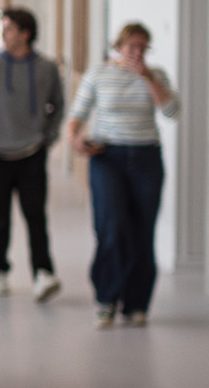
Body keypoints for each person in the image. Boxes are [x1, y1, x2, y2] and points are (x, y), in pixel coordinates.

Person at [67, 22, 180, 328]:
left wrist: (148, 78)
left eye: (143, 47)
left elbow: (172, 112)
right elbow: (76, 116)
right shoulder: (98, 74)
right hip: (108, 158)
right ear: (118, 47)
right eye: (132, 46)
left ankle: (136, 304)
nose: (137, 52)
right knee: (111, 227)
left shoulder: (156, 76)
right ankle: (106, 299)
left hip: (146, 158)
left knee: (143, 230)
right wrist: (75, 138)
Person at [0, 8, 65, 301]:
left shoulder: (47, 68)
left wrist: (48, 139)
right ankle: (0, 270)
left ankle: (43, 273)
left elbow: (58, 106)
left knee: (36, 216)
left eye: (9, 28)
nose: (3, 33)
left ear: (25, 34)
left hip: (32, 153)